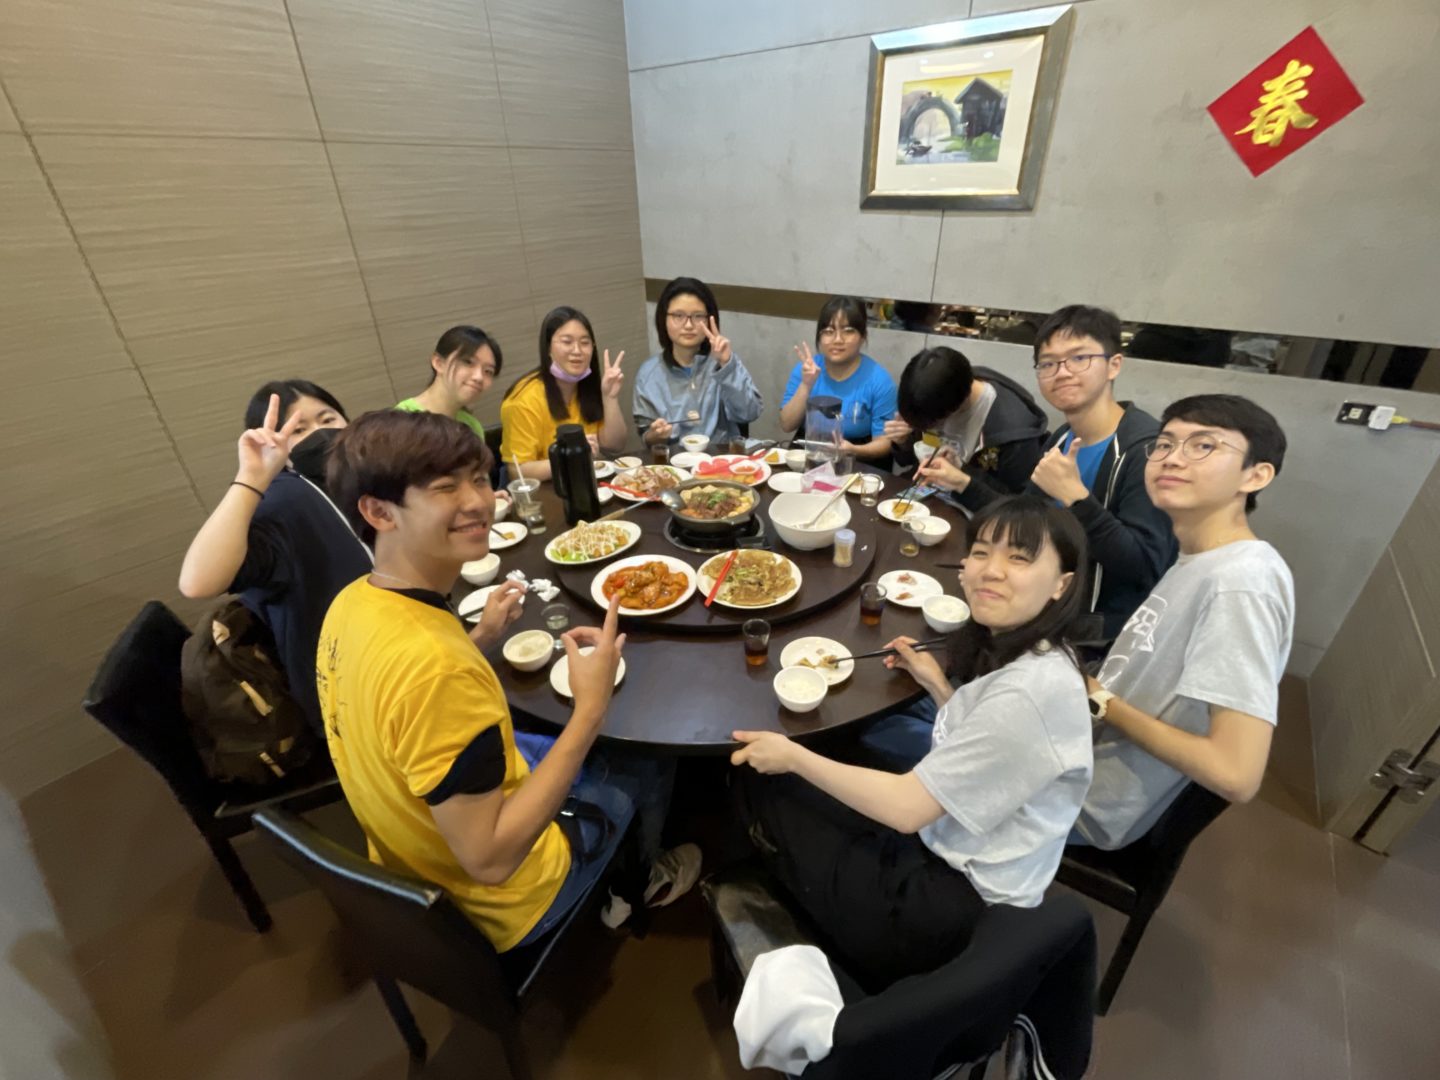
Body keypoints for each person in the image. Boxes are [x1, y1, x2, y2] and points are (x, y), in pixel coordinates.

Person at [319, 410, 690, 950]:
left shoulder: (351, 603)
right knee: (645, 755)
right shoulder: (435, 667)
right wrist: (590, 710)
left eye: (478, 478)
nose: (478, 501)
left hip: (410, 856)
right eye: (445, 487)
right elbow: (490, 860)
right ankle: (638, 885)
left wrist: (480, 638)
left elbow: (404, 710)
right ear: (379, 511)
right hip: (502, 899)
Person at [731, 497, 1093, 988]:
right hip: (954, 844)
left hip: (944, 908)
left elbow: (907, 809)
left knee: (766, 786)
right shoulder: (1040, 655)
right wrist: (937, 685)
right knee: (832, 759)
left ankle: (813, 939)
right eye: (982, 552)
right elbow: (984, 744)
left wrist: (792, 756)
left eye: (1019, 558)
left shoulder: (1030, 694)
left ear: (1061, 584)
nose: (991, 571)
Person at [1074, 394, 1292, 850]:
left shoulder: (1241, 583)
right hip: (1075, 750)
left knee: (918, 740)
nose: (1172, 458)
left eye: (1204, 446)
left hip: (1083, 799)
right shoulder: (1202, 557)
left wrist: (1098, 700)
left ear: (1256, 475)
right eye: (1165, 443)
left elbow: (1235, 774)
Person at [932, 305, 1177, 646]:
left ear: (1114, 364)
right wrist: (962, 482)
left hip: (1094, 637)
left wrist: (1076, 498)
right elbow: (1025, 518)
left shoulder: (1146, 451)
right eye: (1048, 363)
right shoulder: (1063, 438)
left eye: (1079, 358)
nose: (1062, 372)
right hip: (1040, 605)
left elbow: (1145, 568)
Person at [178, 380, 371, 735]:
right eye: (298, 429)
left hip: (397, 651)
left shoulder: (355, 482)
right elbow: (197, 582)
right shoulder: (284, 502)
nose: (319, 434)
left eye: (328, 419)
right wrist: (252, 477)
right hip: (353, 699)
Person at [888, 345, 1048, 497]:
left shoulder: (1016, 433)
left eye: (936, 423)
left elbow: (1018, 505)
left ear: (956, 406)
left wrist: (963, 477)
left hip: (978, 512)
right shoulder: (931, 398)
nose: (934, 428)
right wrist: (903, 443)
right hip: (930, 496)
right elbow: (909, 459)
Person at [632, 276, 763, 447]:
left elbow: (750, 413)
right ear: (663, 319)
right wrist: (656, 435)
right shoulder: (649, 373)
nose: (688, 325)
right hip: (674, 460)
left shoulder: (723, 362)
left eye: (698, 316)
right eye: (678, 316)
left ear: (710, 319)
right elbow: (646, 437)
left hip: (721, 458)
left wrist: (727, 365)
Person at [500, 307, 627, 480]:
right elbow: (517, 471)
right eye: (567, 342)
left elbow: (614, 445)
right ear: (548, 348)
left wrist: (610, 398)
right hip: (545, 489)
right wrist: (570, 456)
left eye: (585, 343)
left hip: (583, 481)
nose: (577, 351)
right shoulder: (522, 400)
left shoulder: (587, 386)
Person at [779, 295, 898, 463]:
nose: (837, 340)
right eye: (829, 331)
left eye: (848, 331)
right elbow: (786, 425)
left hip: (857, 458)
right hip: (810, 453)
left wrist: (853, 450)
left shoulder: (880, 381)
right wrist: (806, 385)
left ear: (863, 336)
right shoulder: (806, 370)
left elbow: (884, 443)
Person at [395, 325, 503, 441]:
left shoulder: (472, 427)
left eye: (488, 371)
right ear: (438, 363)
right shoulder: (402, 420)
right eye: (468, 362)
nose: (479, 377)